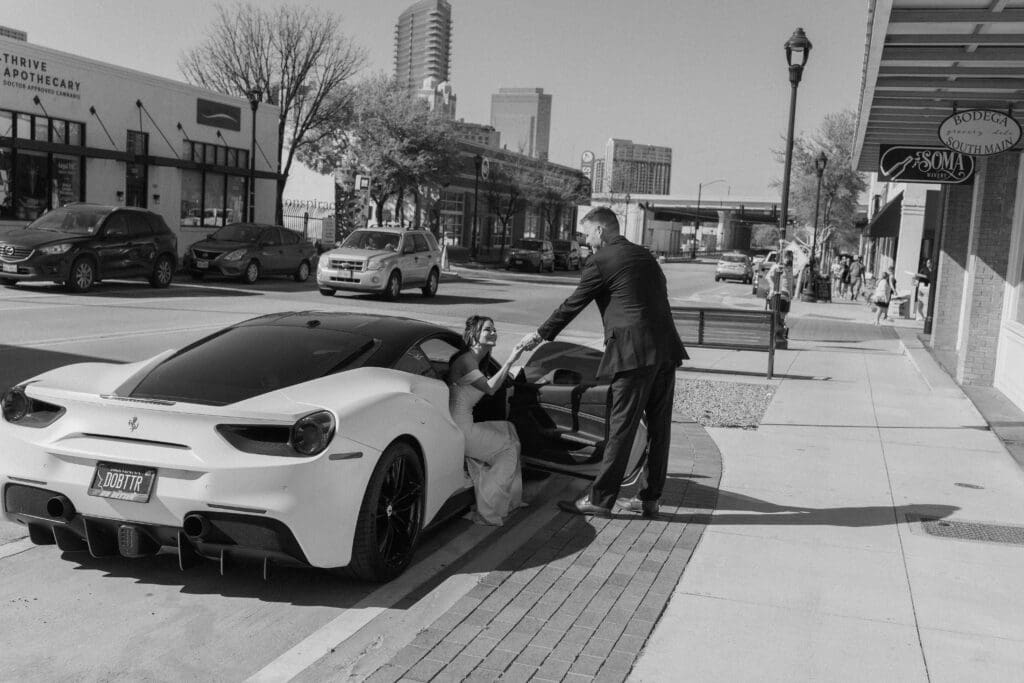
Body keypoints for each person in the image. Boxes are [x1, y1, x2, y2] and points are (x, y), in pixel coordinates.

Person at [519, 207, 687, 518]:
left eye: (587, 234)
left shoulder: (601, 260)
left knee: (621, 426)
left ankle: (600, 498)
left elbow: (573, 303)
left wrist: (541, 334)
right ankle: (650, 498)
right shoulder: (645, 256)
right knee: (660, 428)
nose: (585, 242)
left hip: (633, 354)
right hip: (666, 349)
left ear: (601, 231)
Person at [448, 316, 527, 526]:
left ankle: (509, 498)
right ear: (474, 335)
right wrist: (511, 359)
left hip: (464, 422)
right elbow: (490, 388)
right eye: (487, 330)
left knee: (509, 430)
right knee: (509, 449)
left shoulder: (477, 361)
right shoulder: (466, 360)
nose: (493, 333)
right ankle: (488, 506)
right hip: (460, 428)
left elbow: (492, 385)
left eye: (494, 330)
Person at [765, 251, 795, 337]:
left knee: (784, 314)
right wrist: (773, 287)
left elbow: (791, 282)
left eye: (791, 257)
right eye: (787, 257)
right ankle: (776, 331)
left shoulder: (791, 268)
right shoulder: (777, 266)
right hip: (779, 293)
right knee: (777, 313)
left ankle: (781, 330)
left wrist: (792, 294)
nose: (789, 259)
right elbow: (768, 277)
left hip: (787, 295)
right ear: (783, 258)